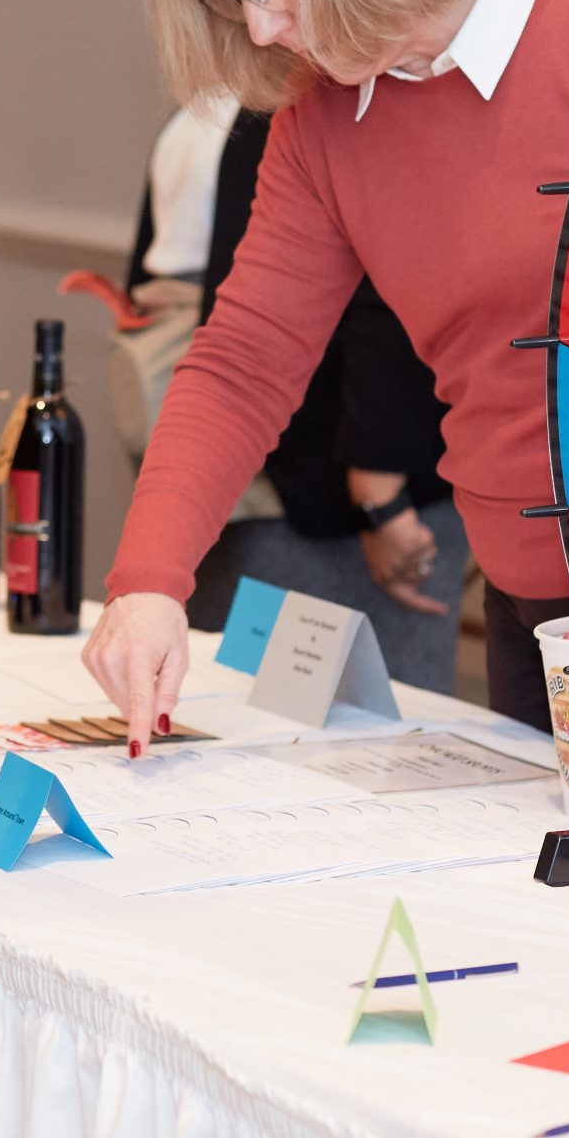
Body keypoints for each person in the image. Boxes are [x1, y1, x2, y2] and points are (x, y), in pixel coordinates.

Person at [83, 0, 569, 750]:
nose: (261, 29)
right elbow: (243, 362)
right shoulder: (324, 120)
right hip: (529, 618)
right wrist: (148, 582)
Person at [125, 93, 469, 692]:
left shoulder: (191, 121)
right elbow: (382, 297)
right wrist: (380, 498)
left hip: (230, 485)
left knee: (235, 694)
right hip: (330, 491)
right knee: (369, 719)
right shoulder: (325, 110)